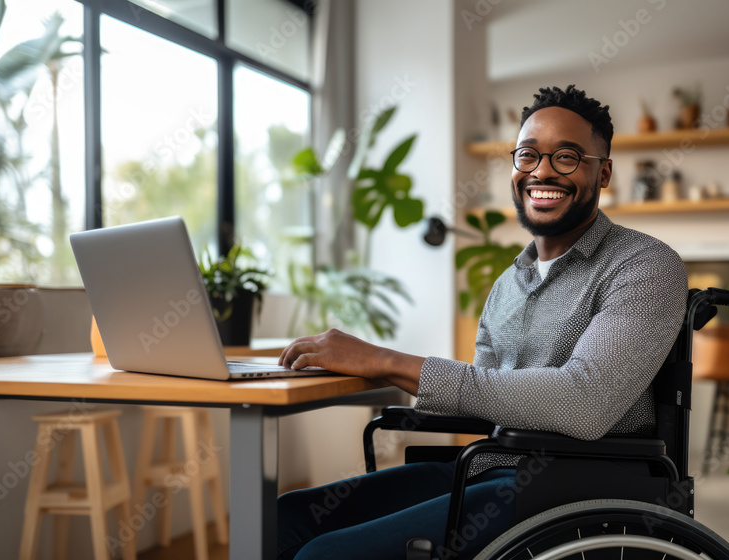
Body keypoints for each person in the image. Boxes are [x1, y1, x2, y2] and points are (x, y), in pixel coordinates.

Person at [275, 85, 688, 560]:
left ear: (605, 171)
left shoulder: (644, 265)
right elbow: (486, 396)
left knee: (323, 555)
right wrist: (362, 367)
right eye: (528, 155)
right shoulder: (509, 283)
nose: (542, 171)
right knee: (285, 519)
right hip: (492, 467)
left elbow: (583, 403)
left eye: (568, 157)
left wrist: (386, 360)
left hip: (579, 487)